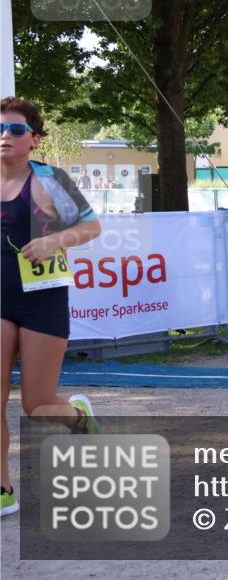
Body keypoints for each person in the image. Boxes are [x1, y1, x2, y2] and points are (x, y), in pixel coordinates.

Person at [1, 97, 103, 517]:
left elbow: (92, 226)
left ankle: (78, 417)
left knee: (36, 404)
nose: (5, 136)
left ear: (35, 139)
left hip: (42, 301)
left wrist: (52, 240)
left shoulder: (49, 180)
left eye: (16, 130)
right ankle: (3, 489)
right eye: (0, 129)